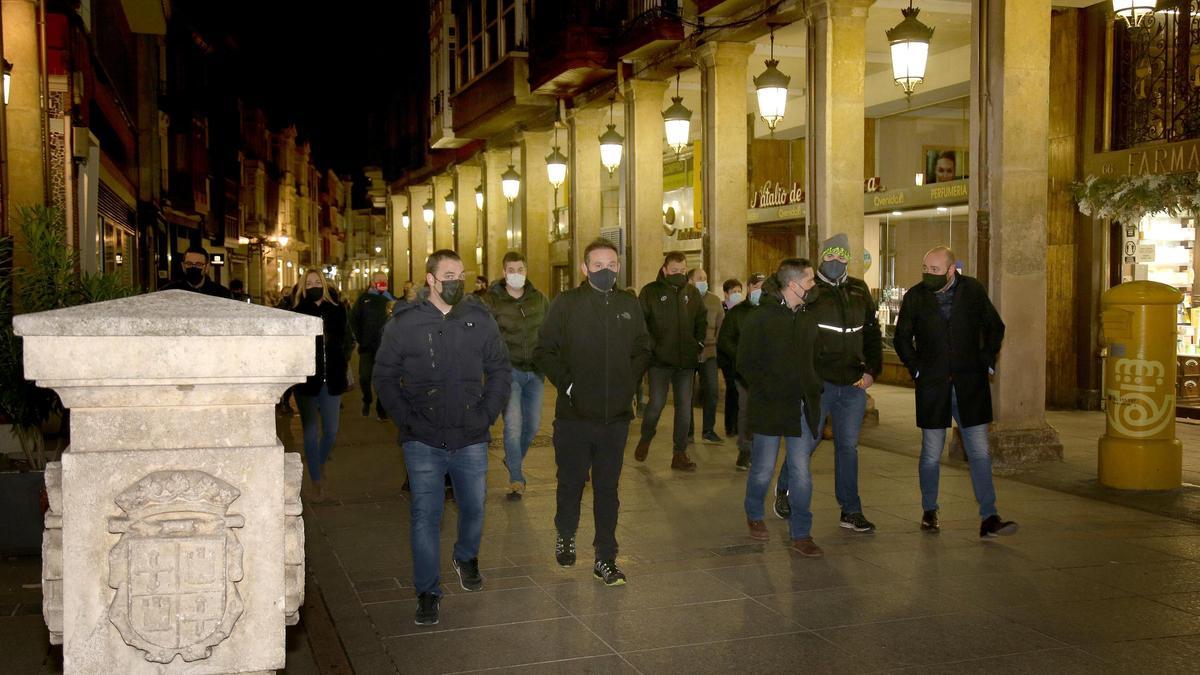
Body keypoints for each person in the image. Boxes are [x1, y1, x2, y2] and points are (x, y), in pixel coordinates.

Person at [374, 250, 511, 626]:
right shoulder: (405, 323)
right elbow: (384, 376)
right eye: (448, 275)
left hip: (471, 436)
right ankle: (428, 591)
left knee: (474, 507)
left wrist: (486, 413)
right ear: (430, 280)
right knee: (424, 516)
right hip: (423, 439)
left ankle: (466, 556)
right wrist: (407, 419)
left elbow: (499, 368)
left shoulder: (478, 318)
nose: (456, 281)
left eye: (460, 274)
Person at [535, 238, 651, 586]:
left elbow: (643, 348)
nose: (606, 271)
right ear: (584, 269)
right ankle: (566, 533)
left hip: (614, 419)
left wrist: (628, 382)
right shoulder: (567, 304)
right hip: (574, 417)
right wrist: (570, 385)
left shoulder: (628, 304)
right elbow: (545, 351)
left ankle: (605, 557)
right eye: (598, 265)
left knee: (607, 489)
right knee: (570, 483)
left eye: (611, 265)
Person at [893, 246, 1018, 538]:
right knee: (930, 453)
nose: (928, 275)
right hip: (933, 386)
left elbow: (995, 327)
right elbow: (902, 338)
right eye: (925, 268)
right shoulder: (916, 296)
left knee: (979, 452)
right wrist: (918, 369)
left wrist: (986, 359)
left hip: (969, 385)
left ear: (951, 270)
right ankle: (929, 510)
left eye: (935, 270)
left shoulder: (972, 290)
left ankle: (989, 517)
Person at [737, 259, 824, 557]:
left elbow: (817, 356)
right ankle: (754, 513)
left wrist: (814, 385)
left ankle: (801, 533)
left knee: (801, 472)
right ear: (793, 285)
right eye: (810, 281)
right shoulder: (760, 318)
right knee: (762, 468)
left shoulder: (808, 317)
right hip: (771, 406)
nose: (814, 286)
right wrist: (767, 387)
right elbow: (745, 363)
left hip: (802, 406)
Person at [805, 233, 883, 534]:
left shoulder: (859, 290)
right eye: (831, 256)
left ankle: (851, 510)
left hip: (853, 385)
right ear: (821, 257)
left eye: (842, 257)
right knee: (808, 443)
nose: (836, 262)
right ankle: (785, 490)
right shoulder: (811, 291)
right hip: (820, 383)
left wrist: (872, 371)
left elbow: (873, 334)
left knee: (848, 447)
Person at [483, 251, 549, 501]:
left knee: (531, 426)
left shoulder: (539, 299)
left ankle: (512, 461)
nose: (516, 274)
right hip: (507, 371)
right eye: (511, 270)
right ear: (503, 272)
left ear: (526, 271)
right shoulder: (492, 300)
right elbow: (485, 336)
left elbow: (551, 330)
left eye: (520, 269)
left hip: (535, 371)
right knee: (513, 426)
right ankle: (516, 479)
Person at [634, 251, 706, 471]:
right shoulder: (650, 292)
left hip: (686, 361)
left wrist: (698, 344)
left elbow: (701, 320)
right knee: (656, 403)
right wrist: (652, 348)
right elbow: (641, 323)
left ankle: (679, 453)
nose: (679, 274)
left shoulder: (692, 293)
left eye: (683, 271)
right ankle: (646, 437)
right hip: (659, 362)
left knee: (685, 407)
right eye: (675, 271)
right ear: (665, 270)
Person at [290, 270, 354, 502]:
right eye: (310, 282)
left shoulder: (337, 309)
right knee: (309, 431)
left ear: (325, 284)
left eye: (318, 281)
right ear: (303, 287)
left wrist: (343, 359)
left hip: (333, 378)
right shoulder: (296, 311)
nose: (315, 285)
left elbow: (348, 338)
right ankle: (316, 478)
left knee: (331, 431)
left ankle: (316, 462)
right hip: (307, 380)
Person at [717, 272, 765, 470]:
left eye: (763, 287)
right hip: (744, 372)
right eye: (756, 287)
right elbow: (726, 341)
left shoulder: (772, 311)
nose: (759, 291)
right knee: (745, 409)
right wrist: (742, 357)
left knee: (764, 413)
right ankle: (745, 450)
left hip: (767, 373)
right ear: (749, 288)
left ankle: (761, 450)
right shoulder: (737, 313)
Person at [687, 267, 724, 444]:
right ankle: (688, 432)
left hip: (709, 352)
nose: (703, 281)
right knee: (687, 394)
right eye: (699, 278)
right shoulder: (684, 299)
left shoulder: (715, 301)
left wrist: (714, 344)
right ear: (691, 281)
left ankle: (708, 430)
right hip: (689, 353)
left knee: (712, 391)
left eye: (705, 278)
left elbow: (720, 326)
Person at [351, 272, 395, 421]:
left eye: (384, 280)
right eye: (378, 280)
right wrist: (360, 338)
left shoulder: (391, 299)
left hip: (385, 348)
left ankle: (381, 410)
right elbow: (354, 319)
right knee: (364, 377)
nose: (381, 282)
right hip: (367, 347)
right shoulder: (364, 299)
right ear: (372, 282)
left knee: (383, 379)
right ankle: (367, 399)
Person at [162, 246, 233, 298]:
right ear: (183, 266)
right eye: (189, 263)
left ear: (207, 267)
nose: (193, 267)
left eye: (198, 264)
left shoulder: (222, 294)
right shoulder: (169, 292)